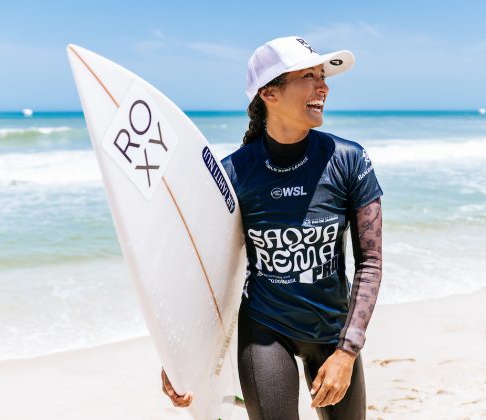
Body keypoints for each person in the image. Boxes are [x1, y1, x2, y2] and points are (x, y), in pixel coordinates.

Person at [162, 36, 383, 420]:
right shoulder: (233, 173)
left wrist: (347, 352)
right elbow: (205, 272)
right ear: (269, 93)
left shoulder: (349, 160)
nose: (323, 86)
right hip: (265, 330)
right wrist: (178, 359)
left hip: (333, 332)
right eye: (309, 76)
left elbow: (371, 263)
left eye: (323, 76)